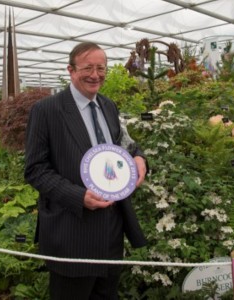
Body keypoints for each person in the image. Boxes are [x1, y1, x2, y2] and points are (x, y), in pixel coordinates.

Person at [24, 42, 148, 300]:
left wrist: (139, 158)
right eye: (87, 68)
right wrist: (78, 196)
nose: (95, 75)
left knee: (106, 294)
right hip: (72, 231)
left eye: (101, 68)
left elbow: (125, 143)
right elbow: (35, 169)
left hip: (111, 229)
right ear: (71, 70)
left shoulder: (108, 106)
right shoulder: (47, 110)